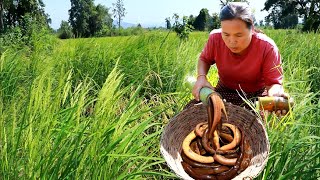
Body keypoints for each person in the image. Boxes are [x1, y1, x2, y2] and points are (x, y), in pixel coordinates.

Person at [192, 2, 289, 116]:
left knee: (254, 122)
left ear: (251, 29)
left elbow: (273, 84)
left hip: (255, 96)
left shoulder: (267, 47)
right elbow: (204, 59)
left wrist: (276, 95)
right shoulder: (215, 38)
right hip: (225, 90)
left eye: (238, 35)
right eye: (226, 34)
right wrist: (201, 77)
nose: (232, 41)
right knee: (198, 112)